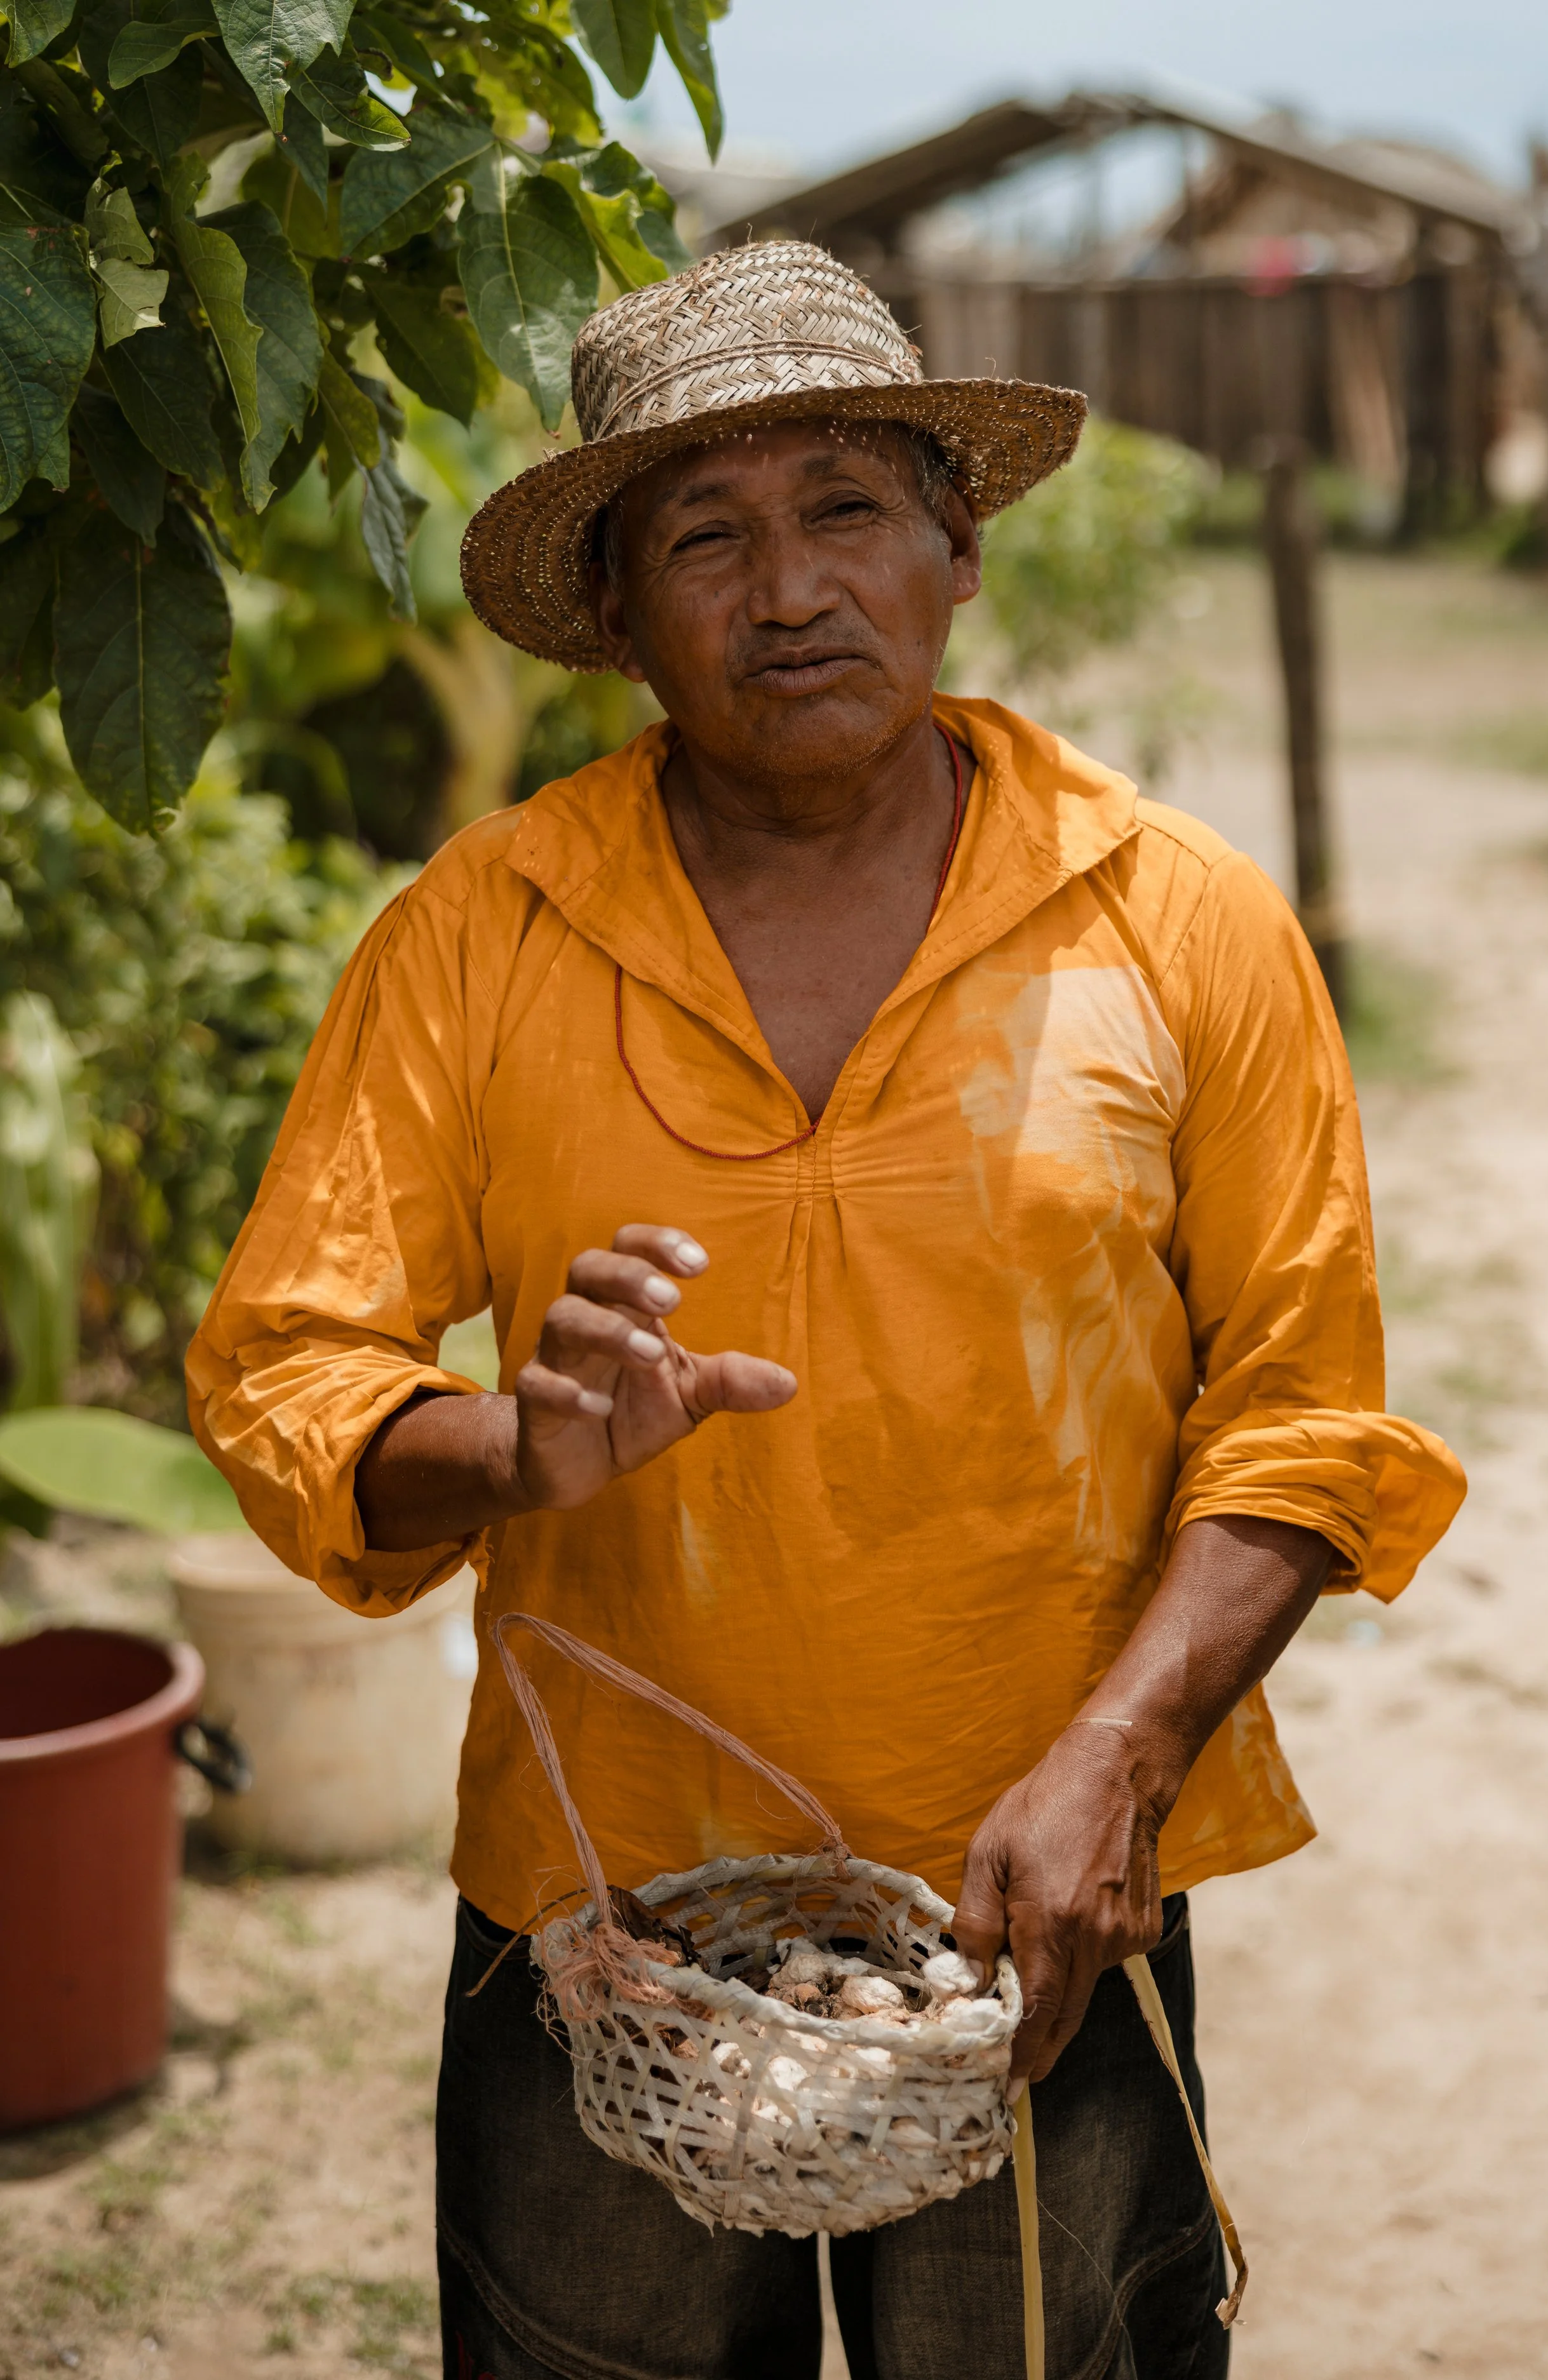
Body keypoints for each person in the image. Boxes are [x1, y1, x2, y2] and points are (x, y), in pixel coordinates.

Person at [189, 241, 1465, 2379]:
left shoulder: (1174, 920)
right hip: (601, 1928)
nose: (788, 591)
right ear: (614, 611)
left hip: (1037, 1910)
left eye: (845, 511)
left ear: (956, 547)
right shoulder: (477, 936)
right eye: (707, 534)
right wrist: (511, 1443)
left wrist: (1113, 1762)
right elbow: (289, 1371)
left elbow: (1301, 1412)